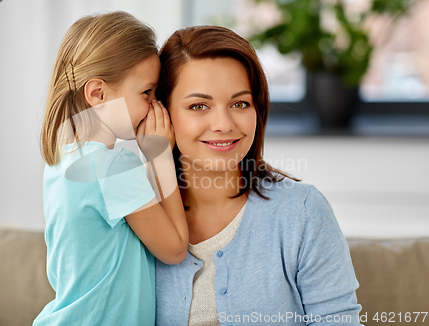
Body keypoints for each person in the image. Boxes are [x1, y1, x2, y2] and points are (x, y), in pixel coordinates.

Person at [155, 26, 362, 326]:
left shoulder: (302, 213)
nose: (223, 124)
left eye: (240, 103)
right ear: (161, 113)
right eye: (199, 106)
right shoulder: (136, 215)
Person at [33, 11, 188, 326]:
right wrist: (160, 156)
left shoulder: (64, 160)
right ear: (97, 93)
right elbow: (174, 250)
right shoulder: (113, 166)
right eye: (147, 92)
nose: (156, 105)